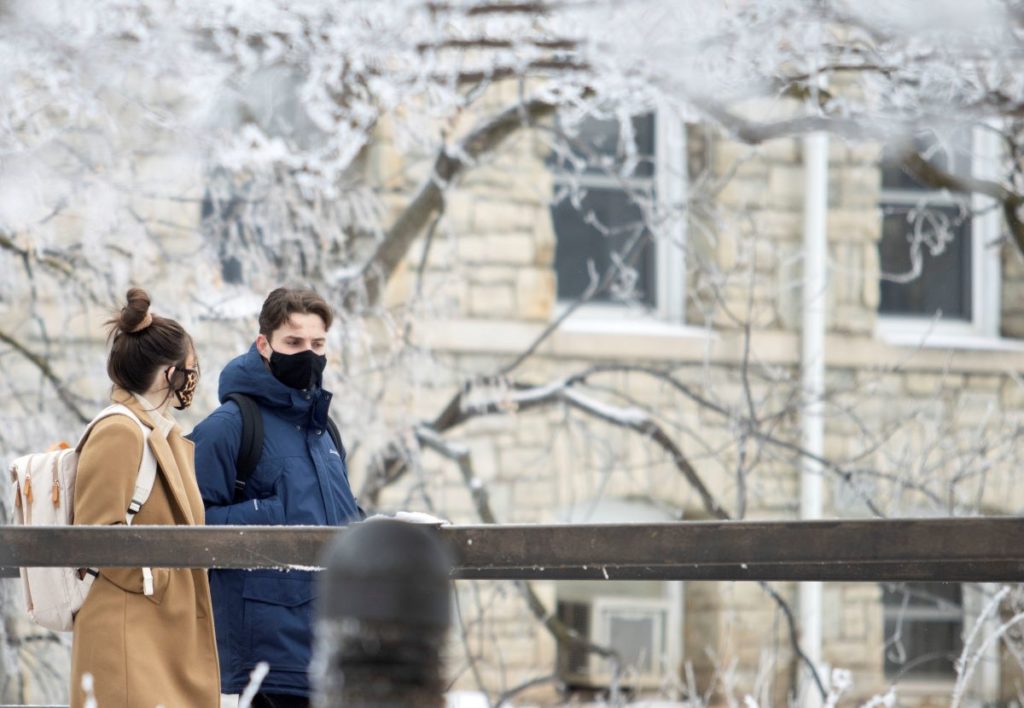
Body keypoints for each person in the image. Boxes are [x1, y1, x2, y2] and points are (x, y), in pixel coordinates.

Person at [191, 286, 362, 708]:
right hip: (264, 664)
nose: (308, 353)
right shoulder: (228, 427)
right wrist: (268, 514)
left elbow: (339, 519)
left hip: (330, 655)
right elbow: (187, 527)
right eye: (294, 342)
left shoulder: (324, 431)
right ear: (264, 345)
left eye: (317, 343)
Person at [70, 288, 219, 708]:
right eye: (191, 368)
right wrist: (161, 579)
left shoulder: (160, 430)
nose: (194, 377)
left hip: (154, 629)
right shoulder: (120, 430)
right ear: (168, 373)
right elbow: (96, 533)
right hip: (129, 633)